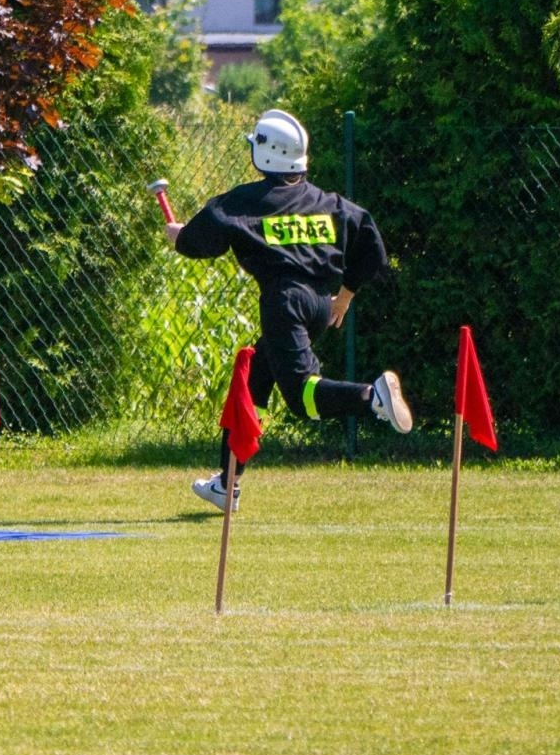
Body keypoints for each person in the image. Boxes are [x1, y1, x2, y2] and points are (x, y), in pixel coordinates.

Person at [166, 108, 412, 511]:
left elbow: (199, 242)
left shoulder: (244, 202)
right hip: (319, 303)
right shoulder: (329, 203)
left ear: (266, 155)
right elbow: (373, 247)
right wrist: (345, 296)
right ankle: (226, 483)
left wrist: (178, 237)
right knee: (253, 383)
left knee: (302, 398)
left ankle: (371, 397)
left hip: (284, 303)